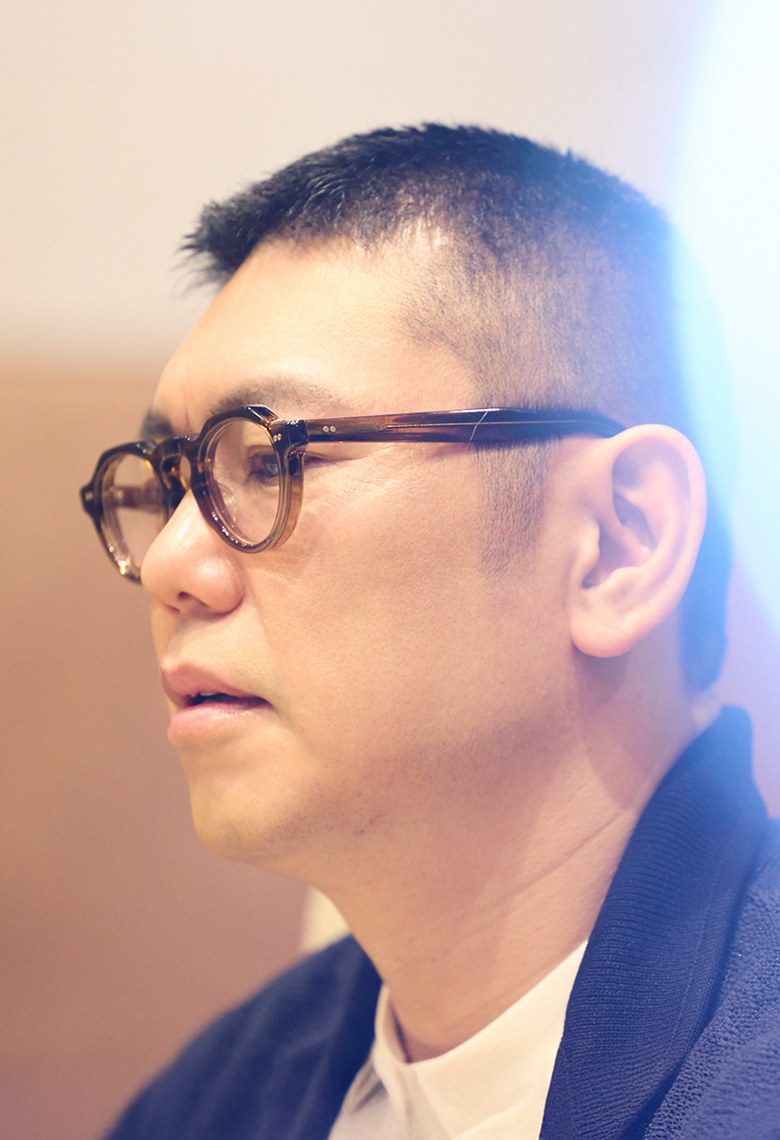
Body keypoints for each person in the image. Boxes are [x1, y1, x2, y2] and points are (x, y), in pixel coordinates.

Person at [80, 125, 780, 1140]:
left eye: (271, 460)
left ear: (617, 543)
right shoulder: (207, 1102)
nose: (172, 566)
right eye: (171, 482)